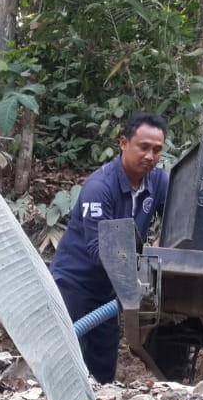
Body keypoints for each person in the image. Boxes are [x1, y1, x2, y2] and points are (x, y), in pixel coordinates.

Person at [51, 112, 169, 382]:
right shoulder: (99, 187)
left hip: (111, 289)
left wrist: (161, 248)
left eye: (157, 150)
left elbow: (178, 219)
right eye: (144, 147)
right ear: (123, 143)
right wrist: (143, 273)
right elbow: (98, 250)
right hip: (75, 285)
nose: (150, 156)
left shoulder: (158, 181)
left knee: (103, 366)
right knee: (73, 363)